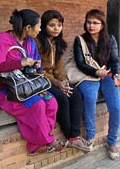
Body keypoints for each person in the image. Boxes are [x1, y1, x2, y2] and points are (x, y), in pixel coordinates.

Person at [0, 9, 63, 155]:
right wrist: (21, 62)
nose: (40, 29)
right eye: (38, 26)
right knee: (37, 105)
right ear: (28, 28)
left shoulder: (29, 42)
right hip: (4, 91)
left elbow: (36, 65)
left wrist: (37, 65)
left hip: (26, 88)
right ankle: (47, 141)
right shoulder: (0, 39)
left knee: (51, 102)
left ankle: (35, 145)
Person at [74, 9, 120, 160]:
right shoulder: (80, 40)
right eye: (89, 22)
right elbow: (80, 63)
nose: (91, 26)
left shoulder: (110, 39)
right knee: (90, 98)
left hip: (106, 76)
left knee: (115, 107)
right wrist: (96, 72)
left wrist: (116, 75)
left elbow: (114, 60)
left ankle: (112, 141)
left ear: (102, 25)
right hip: (88, 76)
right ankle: (90, 137)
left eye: (95, 23)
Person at [35, 10, 88, 151]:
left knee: (75, 94)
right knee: (62, 99)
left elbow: (59, 69)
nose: (56, 28)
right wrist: (58, 84)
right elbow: (39, 70)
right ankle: (70, 136)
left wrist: (64, 82)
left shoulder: (57, 43)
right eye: (52, 25)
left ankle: (75, 136)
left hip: (54, 80)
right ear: (44, 26)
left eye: (59, 25)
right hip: (40, 80)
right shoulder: (37, 42)